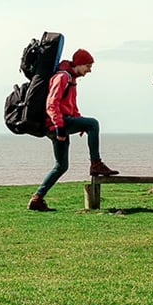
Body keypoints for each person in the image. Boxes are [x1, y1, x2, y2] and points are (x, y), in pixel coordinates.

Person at [28, 48, 119, 211]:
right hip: (56, 124)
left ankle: (37, 199)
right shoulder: (62, 77)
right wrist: (61, 128)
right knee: (93, 123)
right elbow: (52, 104)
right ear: (79, 64)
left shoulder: (71, 79)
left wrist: (78, 121)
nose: (89, 71)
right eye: (88, 66)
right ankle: (96, 163)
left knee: (61, 166)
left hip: (59, 123)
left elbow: (70, 105)